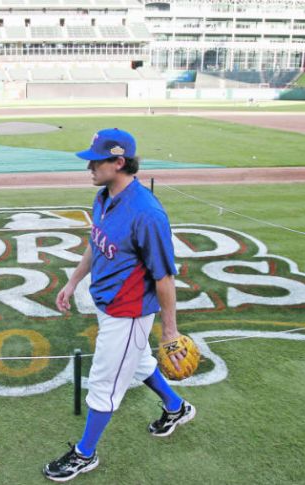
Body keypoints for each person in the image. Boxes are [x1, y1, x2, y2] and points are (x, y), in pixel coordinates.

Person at [42, 128, 196, 482]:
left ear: (119, 162)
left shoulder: (147, 214)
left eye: (96, 161)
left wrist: (170, 331)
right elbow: (95, 243)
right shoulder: (104, 197)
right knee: (138, 362)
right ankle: (176, 407)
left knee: (104, 383)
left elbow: (164, 277)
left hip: (129, 313)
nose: (89, 167)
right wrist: (73, 281)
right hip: (107, 303)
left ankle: (85, 454)